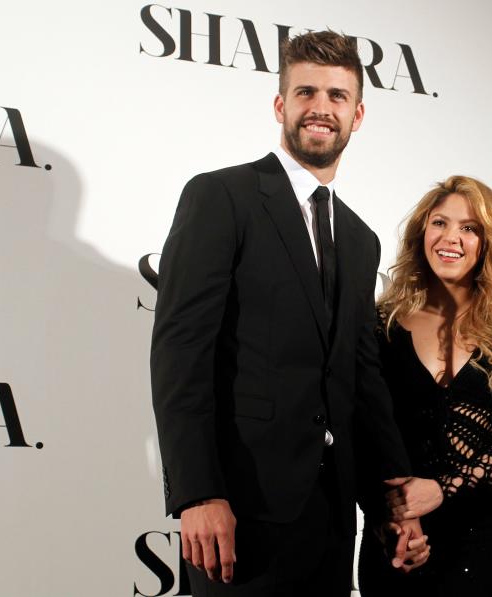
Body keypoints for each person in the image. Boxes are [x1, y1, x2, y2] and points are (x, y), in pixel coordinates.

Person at [150, 31, 428, 597]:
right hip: (236, 514)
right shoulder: (221, 197)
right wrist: (199, 494)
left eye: (337, 96)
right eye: (306, 92)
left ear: (358, 114)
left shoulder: (360, 238)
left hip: (330, 521)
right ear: (281, 105)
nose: (321, 108)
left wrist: (392, 499)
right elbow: (181, 353)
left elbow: (361, 378)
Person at [357, 176, 492, 596]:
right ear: (422, 232)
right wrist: (389, 518)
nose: (451, 238)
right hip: (397, 540)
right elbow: (359, 430)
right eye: (439, 223)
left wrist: (442, 490)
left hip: (484, 540)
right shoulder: (379, 326)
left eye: (469, 228)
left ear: (489, 243)